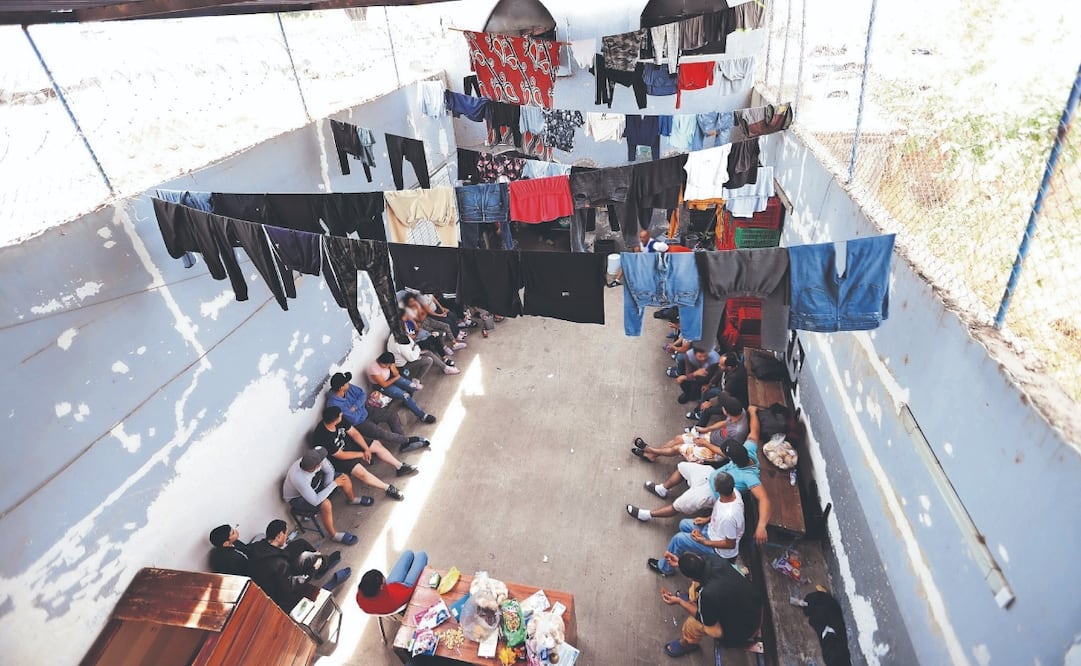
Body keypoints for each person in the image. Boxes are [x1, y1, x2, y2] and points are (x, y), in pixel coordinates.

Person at [628, 407, 772, 546]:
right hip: (710, 474)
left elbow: (764, 499)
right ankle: (663, 489)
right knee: (683, 467)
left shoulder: (750, 477)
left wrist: (761, 526)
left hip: (711, 493)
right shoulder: (749, 449)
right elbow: (755, 431)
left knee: (678, 504)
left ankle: (647, 515)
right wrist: (752, 412)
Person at [658, 552, 763, 657]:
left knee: (693, 624)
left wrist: (679, 601)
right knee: (696, 586)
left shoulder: (708, 594)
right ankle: (694, 602)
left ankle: (687, 643)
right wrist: (680, 564)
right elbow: (701, 572)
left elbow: (706, 621)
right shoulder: (716, 560)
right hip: (755, 608)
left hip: (745, 630)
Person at [647, 472, 744, 577]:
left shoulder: (728, 518)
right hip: (712, 530)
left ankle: (665, 568)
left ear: (716, 489)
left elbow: (730, 544)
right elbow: (719, 511)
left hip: (719, 551)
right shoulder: (733, 493)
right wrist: (706, 519)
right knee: (683, 524)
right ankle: (696, 553)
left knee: (678, 539)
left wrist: (704, 542)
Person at [311, 406, 416, 501]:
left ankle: (400, 467)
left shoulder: (340, 420)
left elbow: (354, 433)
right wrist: (361, 454)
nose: (342, 416)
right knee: (361, 473)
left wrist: (366, 449)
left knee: (377, 445)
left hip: (349, 443)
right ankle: (388, 488)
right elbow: (340, 455)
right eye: (340, 416)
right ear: (334, 421)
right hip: (338, 458)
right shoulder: (322, 436)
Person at [248, 519, 352, 611]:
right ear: (279, 536)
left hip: (276, 573)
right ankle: (323, 569)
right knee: (307, 557)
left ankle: (321, 561)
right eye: (286, 534)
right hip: (284, 592)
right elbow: (292, 584)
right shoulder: (279, 564)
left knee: (300, 543)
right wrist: (313, 569)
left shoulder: (259, 545)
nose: (287, 536)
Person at [327, 371, 430, 454]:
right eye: (346, 383)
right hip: (359, 424)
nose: (348, 383)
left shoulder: (348, 388)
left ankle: (403, 441)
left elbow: (362, 394)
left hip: (366, 410)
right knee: (382, 433)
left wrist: (356, 406)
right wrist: (360, 406)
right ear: (341, 387)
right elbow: (353, 419)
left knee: (391, 415)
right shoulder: (334, 404)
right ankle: (407, 440)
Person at [282, 447, 364, 545]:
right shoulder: (299, 478)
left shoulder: (314, 459)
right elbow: (315, 500)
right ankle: (334, 535)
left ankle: (352, 499)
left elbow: (330, 471)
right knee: (326, 504)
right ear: (317, 466)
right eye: (321, 460)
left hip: (313, 485)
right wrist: (333, 484)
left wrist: (328, 485)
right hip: (297, 498)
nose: (323, 459)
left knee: (344, 478)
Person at [632, 394, 748, 463]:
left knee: (678, 448)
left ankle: (651, 450)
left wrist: (705, 444)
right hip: (710, 438)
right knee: (678, 439)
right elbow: (724, 422)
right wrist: (706, 430)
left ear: (726, 411)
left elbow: (727, 454)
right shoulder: (739, 412)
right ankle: (652, 455)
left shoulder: (738, 432)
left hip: (715, 452)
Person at [367, 352, 437, 424]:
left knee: (412, 386)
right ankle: (422, 416)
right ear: (381, 361)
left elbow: (396, 373)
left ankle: (407, 402)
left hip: (391, 377)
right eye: (386, 365)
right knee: (405, 395)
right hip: (382, 386)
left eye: (389, 364)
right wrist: (396, 377)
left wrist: (392, 369)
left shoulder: (389, 363)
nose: (387, 366)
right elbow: (384, 384)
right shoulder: (373, 369)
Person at [355, 549, 430, 615]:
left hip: (391, 587)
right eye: (383, 578)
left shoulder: (360, 596)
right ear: (381, 586)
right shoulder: (393, 601)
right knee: (421, 555)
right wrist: (422, 573)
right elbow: (412, 590)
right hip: (406, 587)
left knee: (408, 553)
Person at [687, 353, 748, 424]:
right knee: (706, 391)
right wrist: (709, 384)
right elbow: (719, 372)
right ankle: (700, 413)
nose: (719, 365)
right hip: (723, 390)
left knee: (707, 409)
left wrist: (710, 403)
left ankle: (699, 429)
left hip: (731, 401)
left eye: (721, 365)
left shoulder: (735, 378)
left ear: (729, 367)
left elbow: (724, 396)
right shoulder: (731, 365)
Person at [388, 326, 460, 377]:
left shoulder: (396, 335)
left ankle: (446, 368)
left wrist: (417, 349)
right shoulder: (400, 344)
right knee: (428, 360)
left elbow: (412, 343)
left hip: (408, 354)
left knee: (428, 352)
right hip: (404, 364)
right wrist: (417, 349)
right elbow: (412, 357)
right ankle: (416, 379)